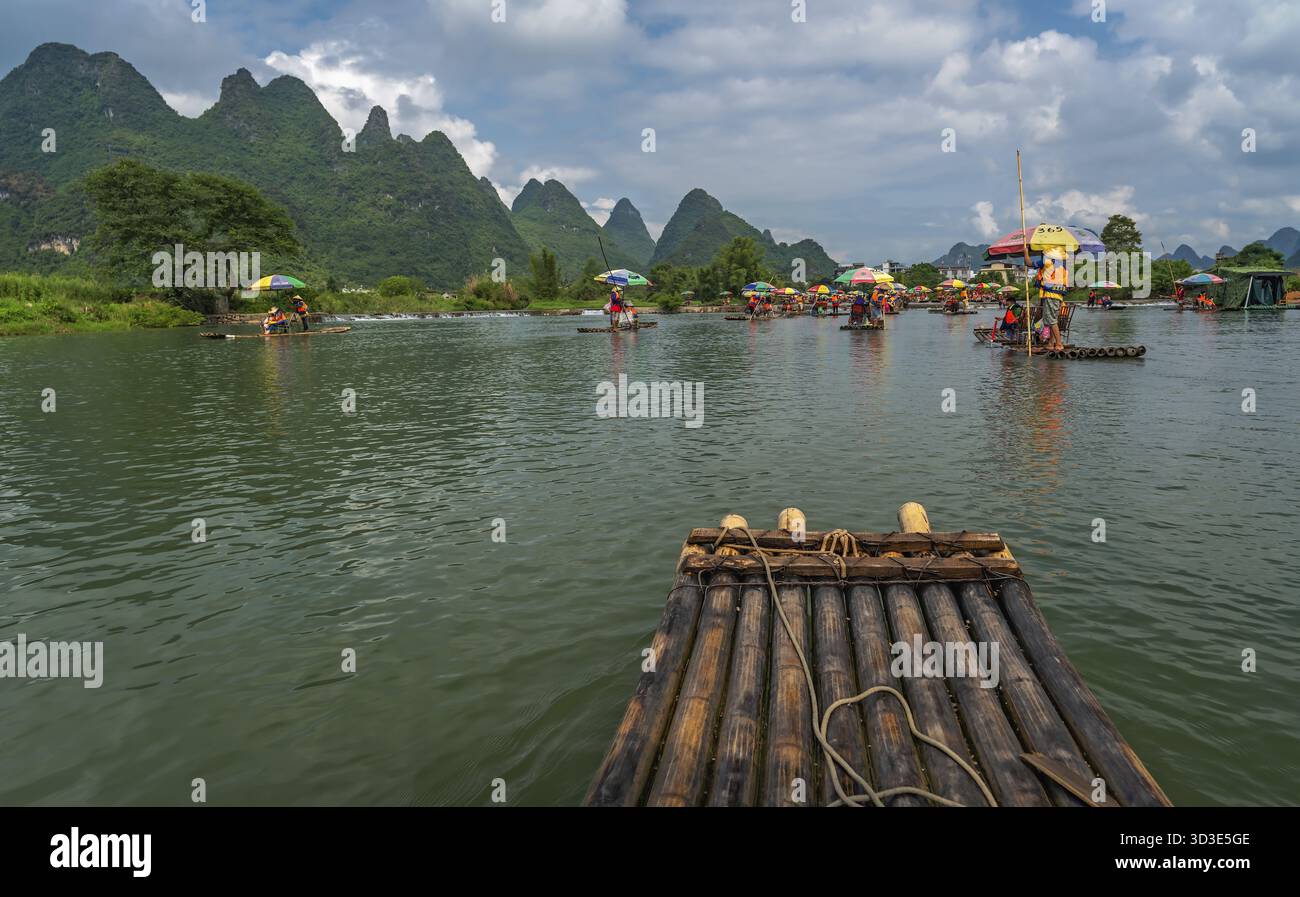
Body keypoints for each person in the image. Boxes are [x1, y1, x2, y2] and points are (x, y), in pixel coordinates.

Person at [1035, 248, 1068, 351]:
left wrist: (1026, 252)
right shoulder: (1063, 268)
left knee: (1051, 321)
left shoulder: (1048, 263)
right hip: (1058, 296)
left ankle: (1058, 344)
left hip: (1051, 295)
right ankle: (1051, 343)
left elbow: (1028, 262)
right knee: (1051, 320)